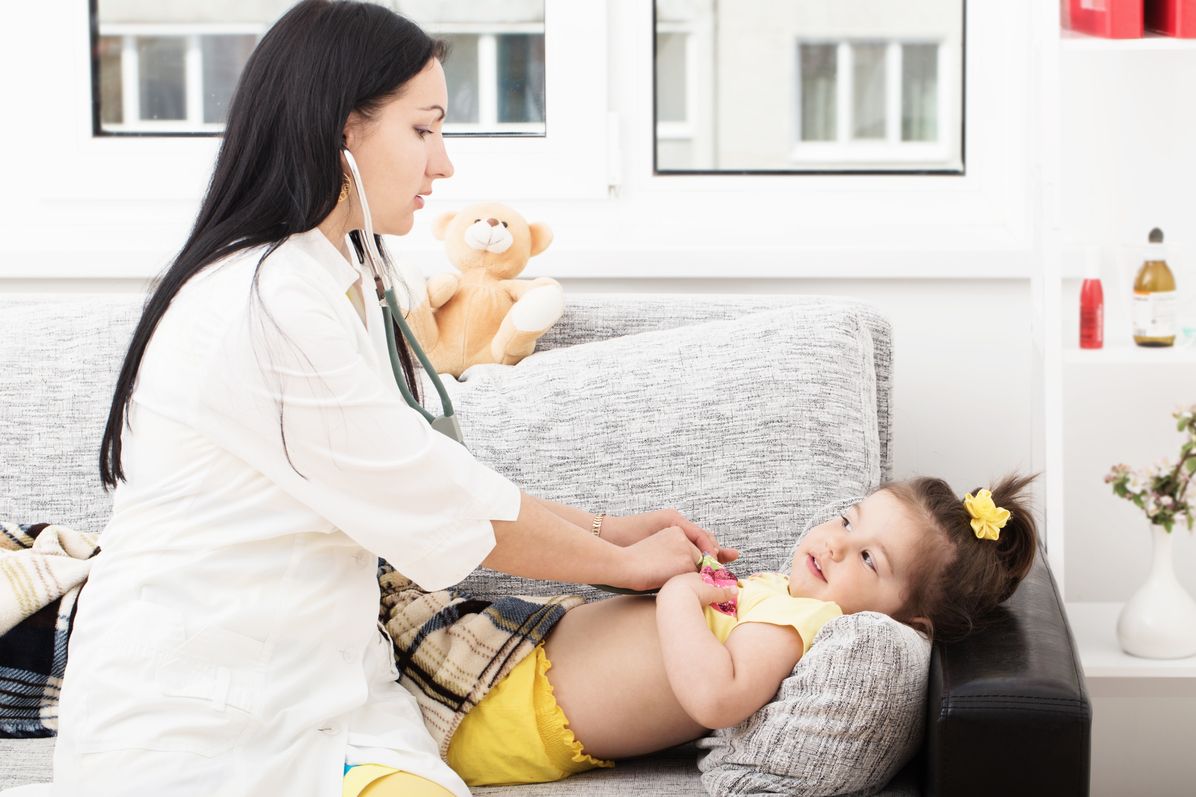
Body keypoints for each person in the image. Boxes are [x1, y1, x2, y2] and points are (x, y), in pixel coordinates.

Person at [49, 2, 734, 796]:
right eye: (423, 129)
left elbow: (429, 472)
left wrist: (611, 528)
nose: (443, 165)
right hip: (196, 729)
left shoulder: (341, 275)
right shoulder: (265, 303)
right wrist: (617, 559)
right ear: (344, 132)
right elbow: (437, 498)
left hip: (330, 700)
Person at [387, 474, 1039, 787]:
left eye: (870, 558)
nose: (837, 544)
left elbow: (716, 694)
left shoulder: (806, 620)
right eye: (847, 520)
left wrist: (676, 595)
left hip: (504, 706)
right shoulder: (781, 596)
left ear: (904, 617)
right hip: (517, 656)